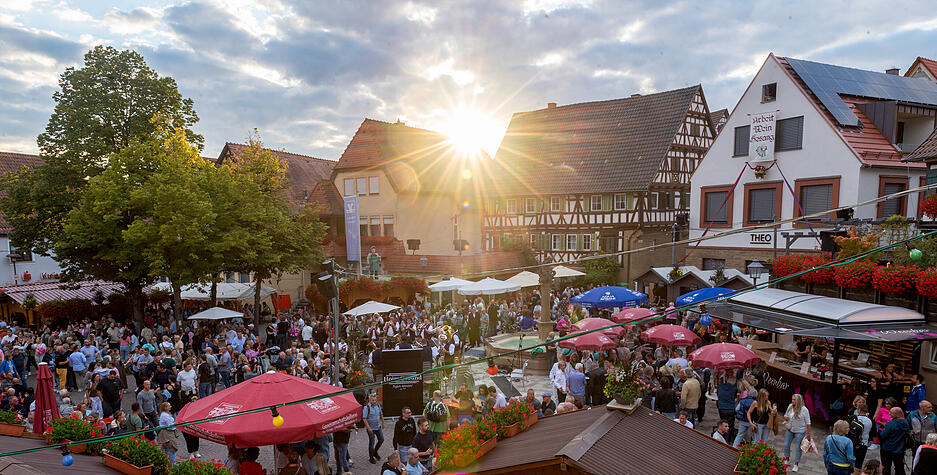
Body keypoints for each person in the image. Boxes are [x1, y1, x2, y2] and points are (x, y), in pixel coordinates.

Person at [880, 406, 909, 475]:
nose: (889, 414)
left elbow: (883, 435)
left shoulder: (890, 424)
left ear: (896, 414)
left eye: (891, 413)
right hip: (900, 449)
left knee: (886, 467)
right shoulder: (905, 423)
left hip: (887, 448)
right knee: (899, 467)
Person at [852, 402, 874, 472]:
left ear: (859, 410)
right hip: (863, 444)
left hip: (853, 443)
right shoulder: (870, 421)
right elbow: (871, 433)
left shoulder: (855, 419)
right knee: (858, 464)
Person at [365, 393, 385, 464]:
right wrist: (368, 428)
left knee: (381, 439)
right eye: (373, 400)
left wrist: (383, 422)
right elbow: (364, 418)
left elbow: (381, 414)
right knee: (372, 443)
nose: (374, 402)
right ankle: (371, 457)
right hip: (371, 428)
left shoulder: (378, 406)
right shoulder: (367, 407)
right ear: (370, 400)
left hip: (378, 426)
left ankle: (375, 451)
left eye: (375, 400)